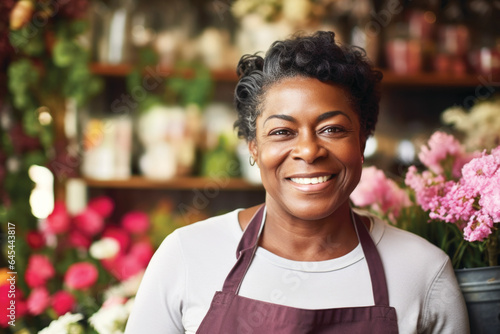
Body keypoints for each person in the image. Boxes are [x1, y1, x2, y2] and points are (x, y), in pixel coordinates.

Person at [125, 31, 469, 333]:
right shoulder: (189, 254)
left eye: (331, 129)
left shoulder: (422, 270)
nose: (308, 150)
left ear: (362, 143)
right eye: (282, 132)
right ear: (254, 149)